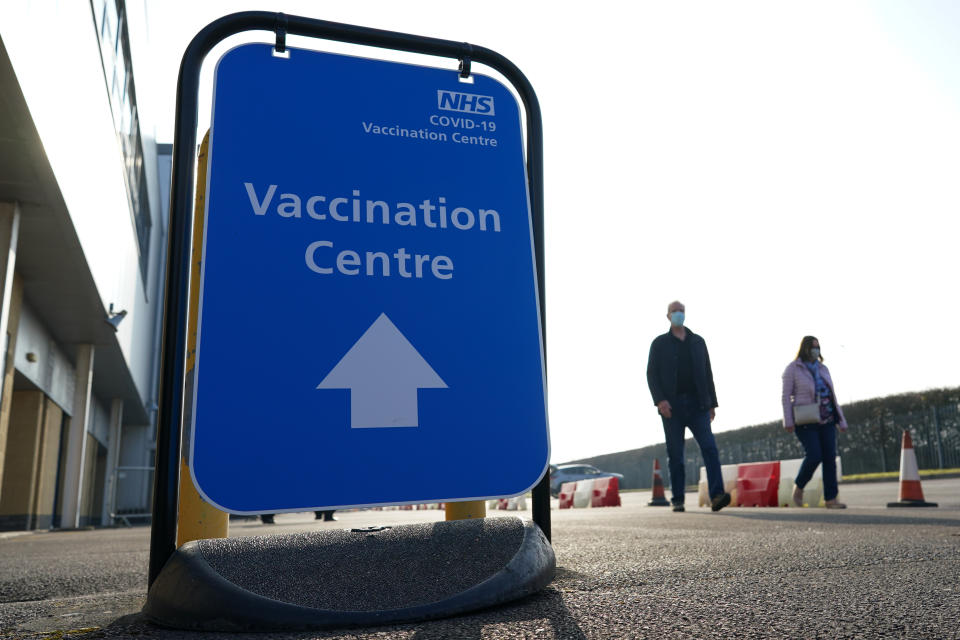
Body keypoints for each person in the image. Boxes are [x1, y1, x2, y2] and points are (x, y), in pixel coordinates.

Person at [646, 301, 730, 512]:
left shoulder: (697, 342)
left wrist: (712, 404)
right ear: (668, 316)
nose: (678, 314)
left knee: (710, 447)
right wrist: (660, 400)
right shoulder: (659, 344)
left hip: (698, 404)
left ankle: (717, 494)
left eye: (681, 311)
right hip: (671, 407)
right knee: (676, 454)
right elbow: (651, 374)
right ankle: (678, 498)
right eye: (674, 311)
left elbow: (707, 372)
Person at [781, 336, 848, 509]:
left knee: (829, 459)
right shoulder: (793, 369)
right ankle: (799, 486)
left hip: (827, 418)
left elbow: (832, 394)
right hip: (805, 419)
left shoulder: (823, 368)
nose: (815, 350)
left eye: (818, 347)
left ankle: (831, 499)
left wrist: (841, 420)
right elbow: (786, 397)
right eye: (812, 347)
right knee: (814, 455)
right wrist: (788, 420)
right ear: (804, 348)